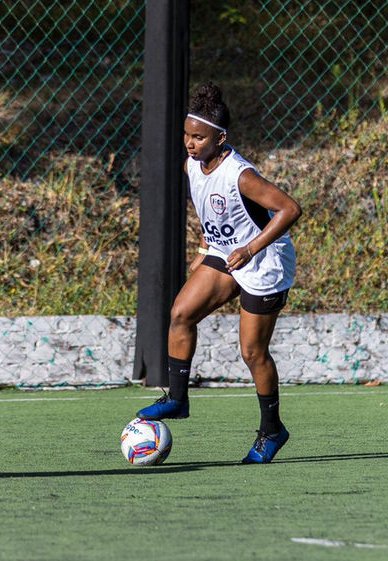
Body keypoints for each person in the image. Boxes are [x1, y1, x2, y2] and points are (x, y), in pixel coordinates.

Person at [136, 82, 302, 464]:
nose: (189, 143)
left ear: (220, 138)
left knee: (252, 352)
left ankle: (272, 430)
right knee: (181, 314)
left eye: (198, 138)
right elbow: (212, 210)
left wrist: (250, 249)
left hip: (265, 261)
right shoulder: (191, 165)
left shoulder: (241, 175)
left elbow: (290, 209)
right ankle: (178, 399)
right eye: (186, 135)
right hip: (227, 251)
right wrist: (203, 249)